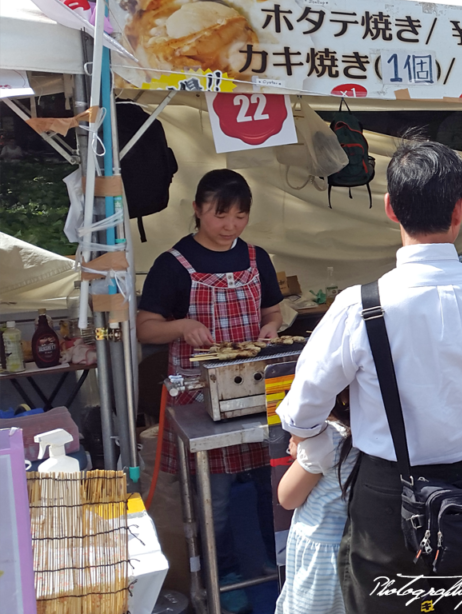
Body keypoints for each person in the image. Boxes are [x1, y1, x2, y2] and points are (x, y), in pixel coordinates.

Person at [276, 140, 462, 614]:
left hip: (388, 491)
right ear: (460, 209)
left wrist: (313, 439)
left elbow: (303, 409)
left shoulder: (360, 304)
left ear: (389, 208)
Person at [137, 169, 283, 613]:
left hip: (256, 391)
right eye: (222, 215)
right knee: (213, 499)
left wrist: (273, 328)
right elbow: (146, 327)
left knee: (269, 486)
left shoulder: (257, 258)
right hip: (200, 399)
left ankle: (272, 574)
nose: (231, 226)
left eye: (240, 216)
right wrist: (182, 326)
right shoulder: (174, 264)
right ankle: (218, 581)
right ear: (198, 209)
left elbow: (273, 312)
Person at [275, 394, 357, 614]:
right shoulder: (379, 433)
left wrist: (300, 449)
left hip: (320, 558)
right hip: (359, 550)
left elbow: (287, 498)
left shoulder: (328, 440)